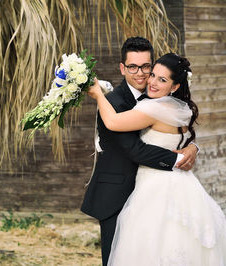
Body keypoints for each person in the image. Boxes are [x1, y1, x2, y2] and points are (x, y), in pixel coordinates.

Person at [87, 53, 226, 265]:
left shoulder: (155, 107)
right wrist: (192, 147)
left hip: (156, 188)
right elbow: (181, 138)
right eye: (153, 75)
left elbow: (113, 122)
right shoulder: (182, 108)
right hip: (182, 185)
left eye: (162, 80)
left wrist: (97, 95)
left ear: (175, 86)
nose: (151, 82)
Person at [80, 37, 199, 266]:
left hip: (154, 195)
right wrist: (179, 158)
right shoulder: (112, 102)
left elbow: (178, 124)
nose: (142, 74)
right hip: (117, 196)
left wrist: (193, 146)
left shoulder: (161, 96)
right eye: (133, 67)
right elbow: (135, 150)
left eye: (146, 66)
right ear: (122, 68)